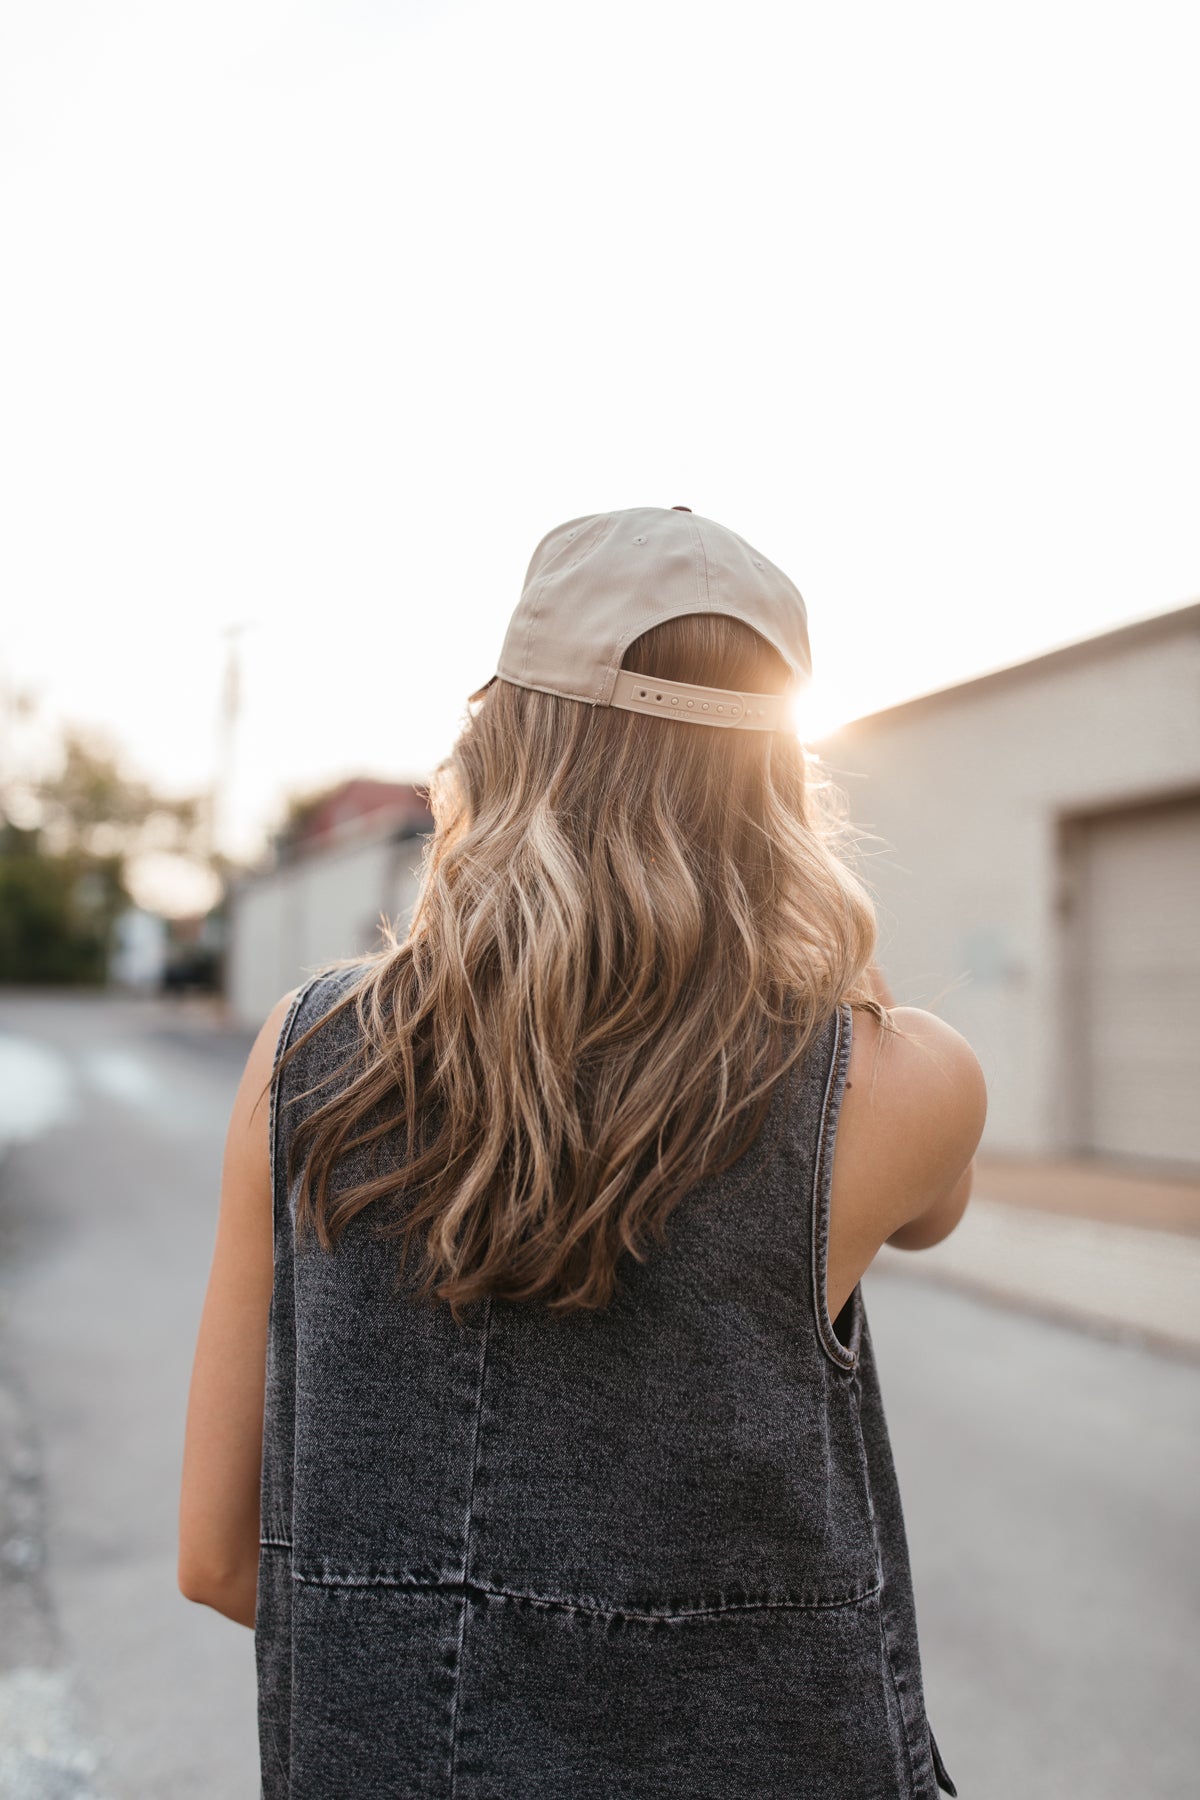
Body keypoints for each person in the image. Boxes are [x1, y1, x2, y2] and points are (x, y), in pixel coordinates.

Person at [179, 505, 985, 1798]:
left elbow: (220, 1561)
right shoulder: (906, 1082)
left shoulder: (307, 1052)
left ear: (498, 742)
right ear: (781, 776)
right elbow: (932, 1214)